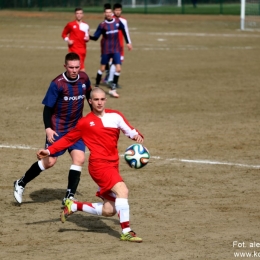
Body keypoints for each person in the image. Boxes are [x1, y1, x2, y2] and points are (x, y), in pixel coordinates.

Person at [37, 87, 144, 242]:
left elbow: (129, 130)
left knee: (109, 210)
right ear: (90, 101)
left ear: (105, 100)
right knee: (123, 191)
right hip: (99, 165)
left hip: (113, 164)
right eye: (96, 100)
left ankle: (73, 206)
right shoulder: (85, 122)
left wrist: (137, 136)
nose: (99, 102)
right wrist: (49, 151)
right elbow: (68, 139)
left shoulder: (116, 116)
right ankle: (126, 231)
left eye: (102, 99)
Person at [13, 52, 92, 205]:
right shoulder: (57, 83)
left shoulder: (84, 78)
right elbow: (47, 109)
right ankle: (21, 183)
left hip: (76, 128)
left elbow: (89, 95)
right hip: (58, 129)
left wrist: (94, 115)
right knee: (49, 162)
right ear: (65, 66)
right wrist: (48, 129)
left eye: (77, 67)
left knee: (79, 159)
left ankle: (69, 197)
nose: (74, 70)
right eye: (71, 67)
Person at [89, 4, 132, 98]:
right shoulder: (102, 25)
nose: (108, 14)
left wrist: (128, 42)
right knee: (102, 69)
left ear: (111, 13)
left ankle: (113, 89)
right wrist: (88, 37)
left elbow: (124, 31)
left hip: (116, 50)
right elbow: (96, 37)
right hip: (106, 51)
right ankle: (96, 86)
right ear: (104, 13)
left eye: (109, 12)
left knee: (118, 69)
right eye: (106, 12)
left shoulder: (117, 22)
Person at [103, 3, 132, 87]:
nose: (118, 12)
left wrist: (128, 43)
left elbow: (126, 32)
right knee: (113, 62)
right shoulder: (110, 18)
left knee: (118, 63)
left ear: (121, 10)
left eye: (119, 10)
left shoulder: (123, 20)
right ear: (113, 11)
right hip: (110, 45)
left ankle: (111, 80)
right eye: (116, 10)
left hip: (120, 45)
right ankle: (111, 81)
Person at [61, 7, 90, 72]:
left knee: (77, 70)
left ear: (83, 15)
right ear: (75, 14)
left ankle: (73, 81)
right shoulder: (70, 24)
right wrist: (68, 40)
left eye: (80, 13)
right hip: (73, 49)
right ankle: (83, 82)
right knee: (82, 70)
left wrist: (87, 39)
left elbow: (87, 37)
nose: (79, 15)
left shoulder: (86, 25)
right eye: (77, 13)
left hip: (83, 50)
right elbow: (64, 34)